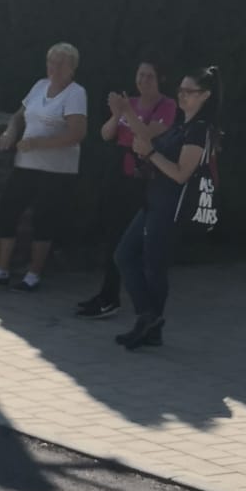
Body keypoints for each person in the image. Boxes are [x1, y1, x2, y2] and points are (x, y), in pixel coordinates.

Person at [109, 65, 221, 351]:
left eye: (190, 91)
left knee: (152, 265)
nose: (182, 96)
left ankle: (148, 322)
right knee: (127, 255)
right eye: (180, 90)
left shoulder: (198, 131)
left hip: (171, 206)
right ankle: (150, 321)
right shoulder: (183, 125)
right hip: (155, 201)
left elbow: (181, 173)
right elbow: (158, 155)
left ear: (205, 95)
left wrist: (150, 154)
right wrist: (146, 154)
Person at [0, 42, 88, 291]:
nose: (54, 67)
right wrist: (10, 131)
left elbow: (77, 134)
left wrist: (38, 143)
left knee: (44, 219)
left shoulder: (75, 93)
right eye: (51, 62)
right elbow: (19, 115)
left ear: (71, 67)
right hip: (26, 163)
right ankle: (1, 270)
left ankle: (33, 274)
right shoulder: (40, 85)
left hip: (56, 169)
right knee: (7, 210)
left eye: (60, 63)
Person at [76, 58, 177, 318]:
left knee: (125, 238)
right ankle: (108, 293)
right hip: (118, 171)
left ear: (160, 79)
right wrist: (117, 113)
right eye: (140, 75)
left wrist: (127, 111)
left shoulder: (166, 106)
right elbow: (106, 134)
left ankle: (116, 296)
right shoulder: (129, 102)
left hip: (142, 176)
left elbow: (146, 134)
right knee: (111, 232)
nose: (143, 81)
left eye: (149, 76)